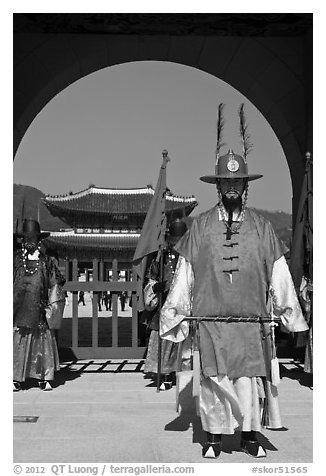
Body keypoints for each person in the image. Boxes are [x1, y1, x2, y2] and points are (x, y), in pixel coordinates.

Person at [159, 106, 308, 459]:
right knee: (213, 383)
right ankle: (212, 437)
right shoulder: (200, 227)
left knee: (247, 382)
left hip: (251, 324)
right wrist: (176, 312)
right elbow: (186, 274)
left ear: (245, 186)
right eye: (225, 182)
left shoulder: (262, 228)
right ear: (218, 185)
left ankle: (248, 436)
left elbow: (279, 273)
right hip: (211, 324)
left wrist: (290, 315)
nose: (231, 187)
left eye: (237, 182)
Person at [13, 219, 66, 391]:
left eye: (33, 239)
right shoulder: (14, 260)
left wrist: (53, 303)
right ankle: (15, 377)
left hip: (39, 308)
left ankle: (44, 376)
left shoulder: (46, 261)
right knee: (18, 342)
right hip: (17, 308)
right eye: (26, 239)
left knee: (41, 343)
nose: (29, 242)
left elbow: (55, 283)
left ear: (38, 241)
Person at [143, 219, 187, 390]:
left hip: (184, 304)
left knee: (182, 343)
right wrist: (156, 287)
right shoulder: (161, 257)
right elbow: (152, 279)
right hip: (165, 304)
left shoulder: (192, 257)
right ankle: (163, 374)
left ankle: (178, 373)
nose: (176, 243)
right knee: (164, 340)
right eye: (174, 239)